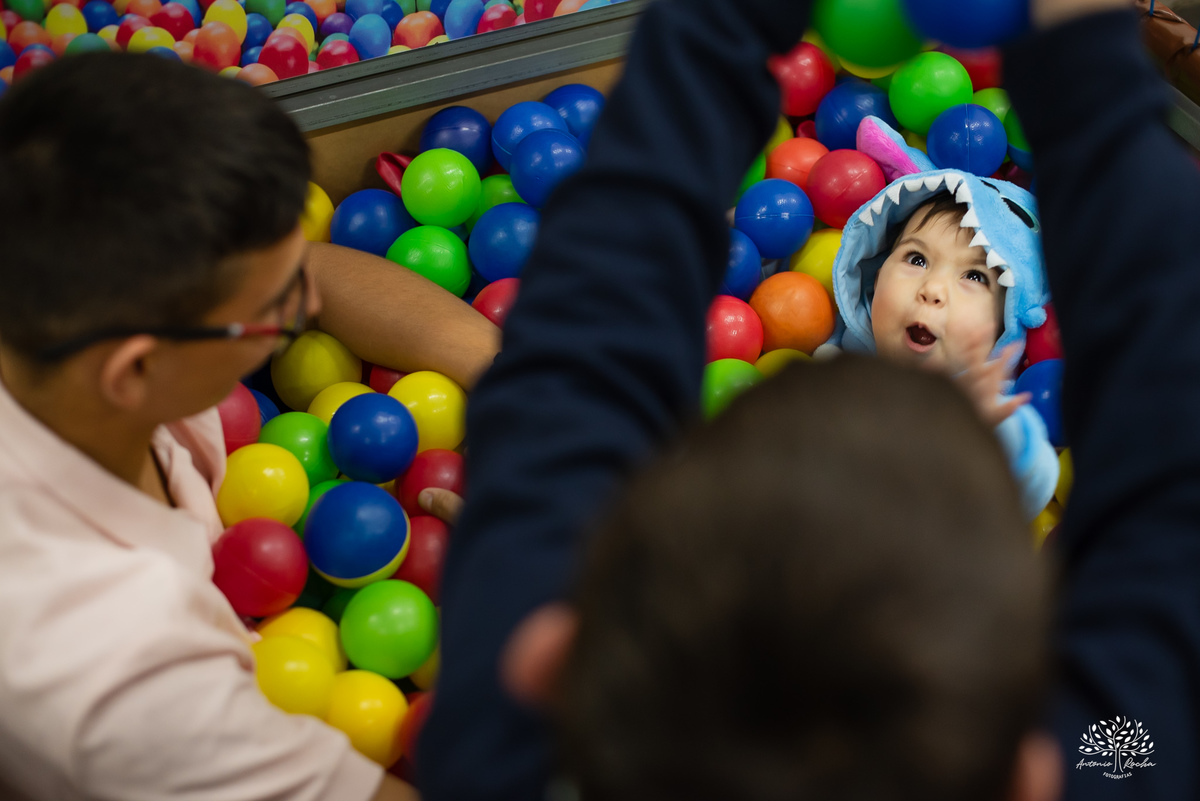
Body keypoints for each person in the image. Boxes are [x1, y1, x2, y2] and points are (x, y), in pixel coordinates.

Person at [422, 1, 1200, 801]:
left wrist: (717, 26)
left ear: (555, 655)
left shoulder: (529, 735)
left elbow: (580, 355)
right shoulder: (1122, 759)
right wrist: (1083, 63)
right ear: (1027, 775)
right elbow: (1171, 465)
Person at [0, 53, 497, 801]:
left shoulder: (83, 326)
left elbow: (321, 271)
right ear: (135, 372)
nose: (296, 314)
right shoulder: (123, 675)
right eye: (274, 311)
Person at [818, 117, 1058, 519]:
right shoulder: (834, 358)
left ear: (1009, 322)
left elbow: (1027, 489)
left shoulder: (987, 416)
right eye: (916, 259)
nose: (932, 289)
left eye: (974, 276)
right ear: (876, 274)